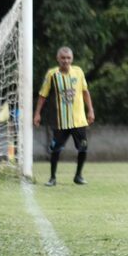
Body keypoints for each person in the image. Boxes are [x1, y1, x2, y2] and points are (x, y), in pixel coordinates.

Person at [33, 46, 94, 186]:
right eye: (63, 58)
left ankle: (78, 176)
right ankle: (52, 178)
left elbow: (85, 91)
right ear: (58, 59)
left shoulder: (78, 72)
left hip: (78, 120)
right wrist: (37, 114)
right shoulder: (52, 74)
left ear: (72, 59)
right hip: (61, 121)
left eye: (68, 58)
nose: (66, 61)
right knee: (55, 149)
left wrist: (90, 110)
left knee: (83, 147)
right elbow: (43, 95)